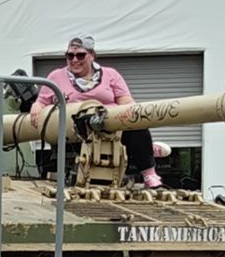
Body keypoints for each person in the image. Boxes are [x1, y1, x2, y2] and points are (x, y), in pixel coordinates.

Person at [29, 35, 167, 189]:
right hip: (77, 130)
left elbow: (126, 101)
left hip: (112, 125)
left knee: (138, 128)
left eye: (80, 55)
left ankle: (149, 172)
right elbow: (42, 101)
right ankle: (146, 150)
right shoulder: (56, 77)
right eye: (70, 55)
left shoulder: (111, 75)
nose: (74, 60)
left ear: (92, 55)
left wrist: (134, 113)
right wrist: (36, 108)